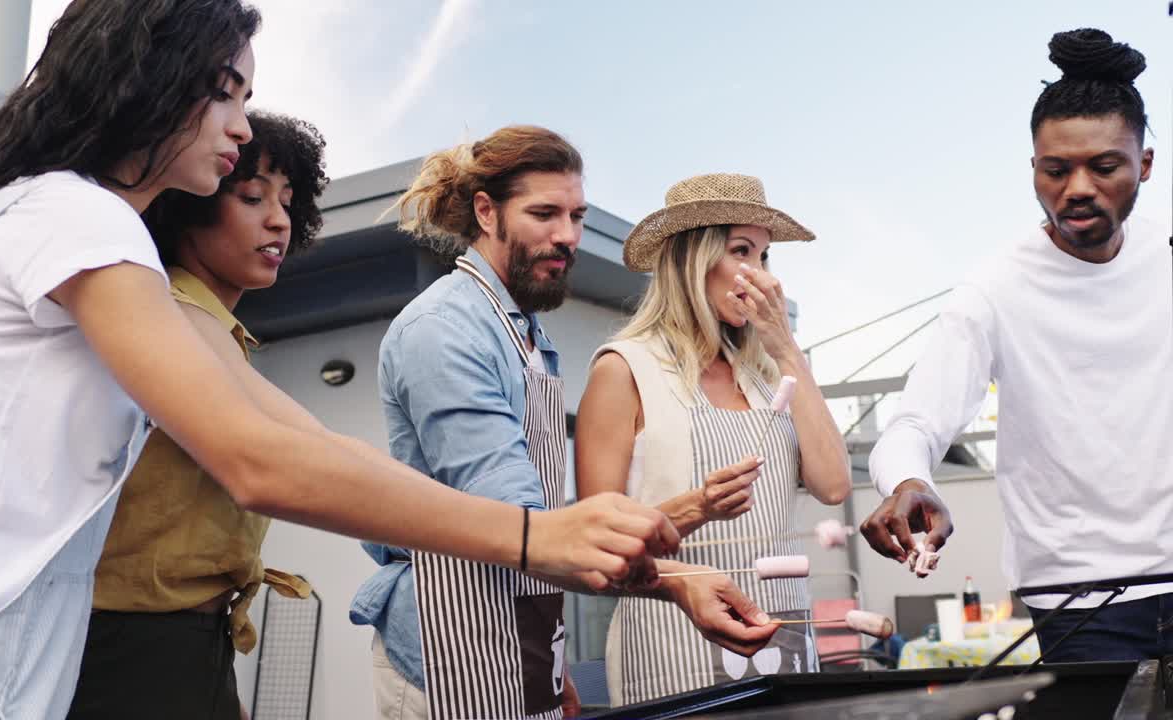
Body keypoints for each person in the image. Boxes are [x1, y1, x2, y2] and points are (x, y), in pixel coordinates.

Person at [0, 3, 674, 716]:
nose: (240, 128)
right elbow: (255, 461)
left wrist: (555, 533)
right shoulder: (74, 215)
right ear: (144, 78)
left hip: (10, 650)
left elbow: (311, 441)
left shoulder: (69, 222)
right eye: (226, 92)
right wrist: (536, 538)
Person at [352, 129, 779, 720]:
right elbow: (520, 522)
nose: (567, 236)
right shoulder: (445, 328)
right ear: (486, 211)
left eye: (575, 215)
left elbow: (547, 527)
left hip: (520, 642)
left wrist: (546, 664)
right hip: (445, 649)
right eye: (544, 214)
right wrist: (678, 583)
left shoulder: (526, 334)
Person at [860, 28, 1170, 662]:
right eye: (1056, 170)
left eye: (1104, 166)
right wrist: (909, 480)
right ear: (1033, 169)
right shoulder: (994, 290)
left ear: (1144, 164)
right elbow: (915, 421)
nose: (1077, 187)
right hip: (1080, 599)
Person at [67, 110, 325, 719]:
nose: (278, 219)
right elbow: (296, 453)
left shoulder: (213, 326)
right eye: (253, 196)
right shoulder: (173, 309)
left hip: (193, 647)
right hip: (129, 653)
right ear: (191, 203)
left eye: (289, 201)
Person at [575, 173, 851, 704]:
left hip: (782, 634)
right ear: (693, 261)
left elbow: (834, 485)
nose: (761, 276)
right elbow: (598, 544)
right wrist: (697, 506)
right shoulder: (625, 369)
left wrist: (788, 350)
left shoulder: (770, 372)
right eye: (741, 250)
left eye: (766, 257)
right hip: (673, 643)